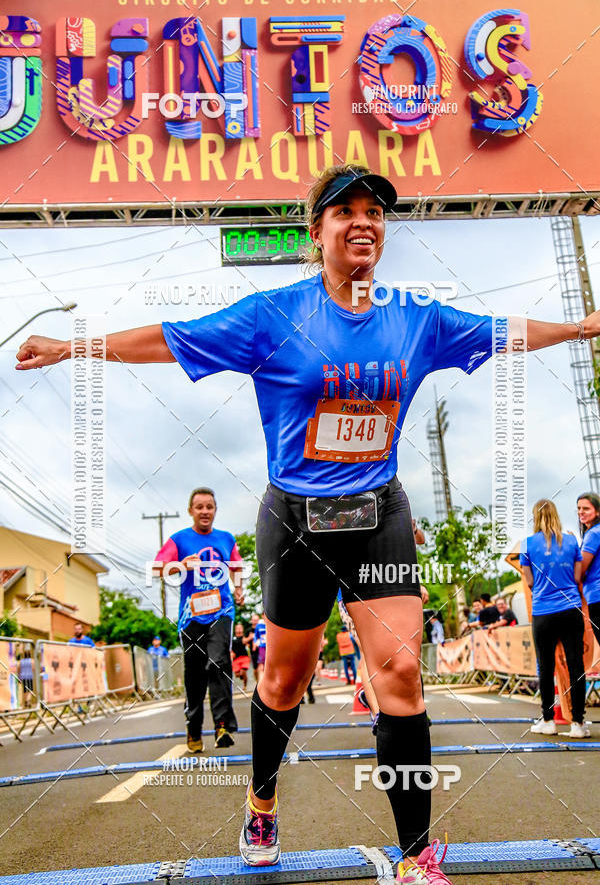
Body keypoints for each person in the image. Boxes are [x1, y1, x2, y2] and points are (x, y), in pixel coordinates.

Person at [16, 164, 600, 884]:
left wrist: (579, 327)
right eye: (345, 211)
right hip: (294, 519)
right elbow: (172, 338)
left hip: (378, 512)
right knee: (284, 680)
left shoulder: (418, 317)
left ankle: (415, 853)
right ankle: (262, 798)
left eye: (375, 213)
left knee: (402, 672)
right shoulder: (273, 315)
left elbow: (505, 331)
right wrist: (74, 347)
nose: (363, 222)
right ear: (315, 231)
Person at [153, 487, 244, 753]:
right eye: (200, 507)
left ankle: (222, 725)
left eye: (210, 507)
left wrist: (238, 589)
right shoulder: (179, 539)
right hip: (191, 615)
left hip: (221, 611)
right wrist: (181, 565)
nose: (205, 512)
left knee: (218, 661)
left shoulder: (226, 539)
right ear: (191, 511)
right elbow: (157, 567)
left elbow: (237, 567)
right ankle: (194, 727)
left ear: (215, 510)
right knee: (194, 675)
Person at [520, 499, 589, 739]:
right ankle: (578, 724)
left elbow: (529, 582)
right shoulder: (571, 541)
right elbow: (578, 576)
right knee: (576, 666)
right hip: (570, 608)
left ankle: (548, 720)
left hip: (543, 611)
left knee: (546, 666)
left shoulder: (527, 544)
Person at [578, 492, 600, 648]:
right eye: (579, 508)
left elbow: (581, 570)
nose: (581, 512)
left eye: (586, 508)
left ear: (598, 511)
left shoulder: (592, 534)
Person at [232, 622, 251, 691]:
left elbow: (248, 644)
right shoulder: (233, 639)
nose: (239, 629)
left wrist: (248, 644)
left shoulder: (245, 637)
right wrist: (231, 652)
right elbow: (230, 648)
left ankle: (245, 686)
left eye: (240, 628)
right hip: (236, 659)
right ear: (235, 629)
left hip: (244, 657)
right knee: (237, 674)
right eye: (237, 628)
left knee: (243, 671)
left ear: (242, 629)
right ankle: (241, 676)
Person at [253, 612, 267, 684]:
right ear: (262, 616)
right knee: (261, 666)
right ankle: (260, 684)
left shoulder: (272, 624)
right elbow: (256, 636)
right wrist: (256, 643)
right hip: (262, 647)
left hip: (271, 648)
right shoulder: (259, 625)